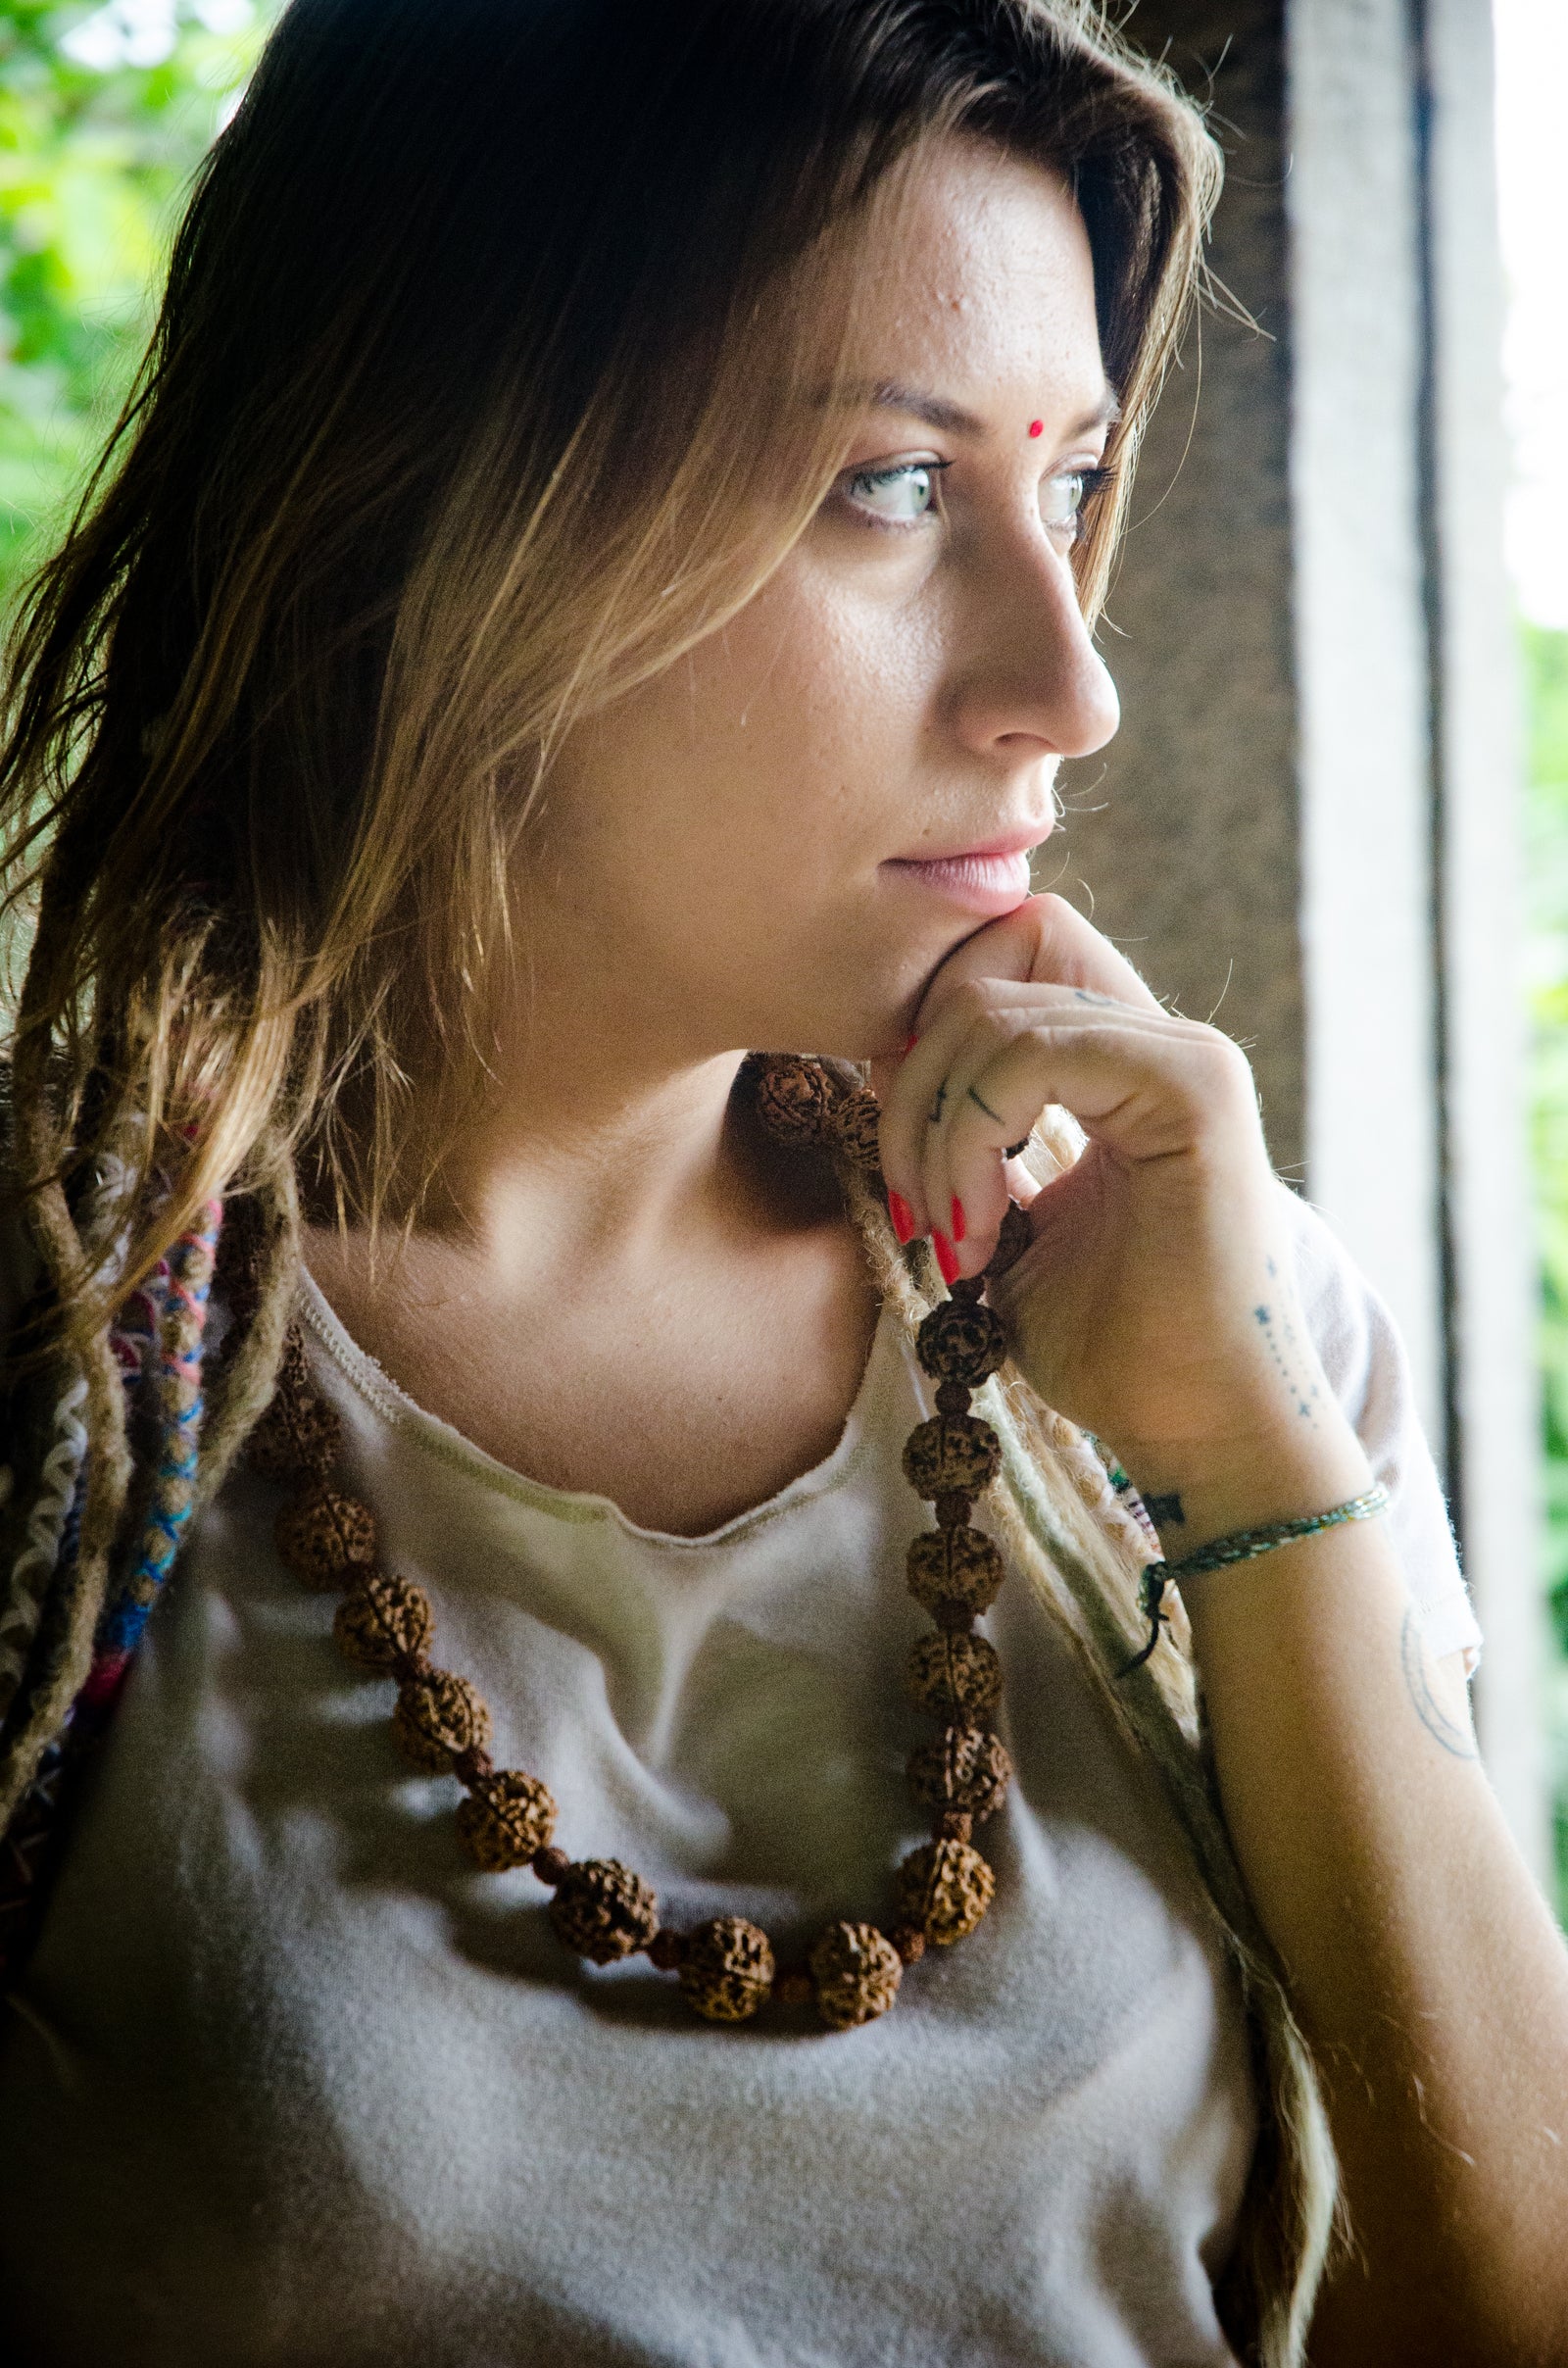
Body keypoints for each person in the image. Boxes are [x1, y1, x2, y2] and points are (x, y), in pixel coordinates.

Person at [0, 2, 1564, 2361]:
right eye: (895, 487)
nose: (1069, 681)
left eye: (1063, 483)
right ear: (435, 499)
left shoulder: (1192, 1330)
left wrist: (1256, 1465)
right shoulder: (74, 1375)